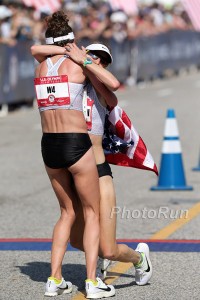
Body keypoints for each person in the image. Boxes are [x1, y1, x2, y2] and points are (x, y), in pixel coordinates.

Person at [32, 41, 153, 287]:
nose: (96, 60)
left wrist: (87, 63)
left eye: (102, 59)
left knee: (108, 249)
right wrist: (68, 51)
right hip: (73, 165)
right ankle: (87, 264)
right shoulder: (68, 78)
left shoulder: (100, 88)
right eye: (93, 54)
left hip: (98, 172)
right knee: (77, 240)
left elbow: (112, 89)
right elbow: (37, 52)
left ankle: (139, 258)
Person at [32, 11, 119, 299]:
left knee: (67, 212)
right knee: (92, 212)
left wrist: (63, 47)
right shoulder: (77, 64)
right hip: (75, 143)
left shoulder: (41, 68)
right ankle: (93, 282)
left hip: (48, 145)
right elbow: (113, 84)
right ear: (72, 41)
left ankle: (54, 278)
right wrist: (82, 57)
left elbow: (36, 49)